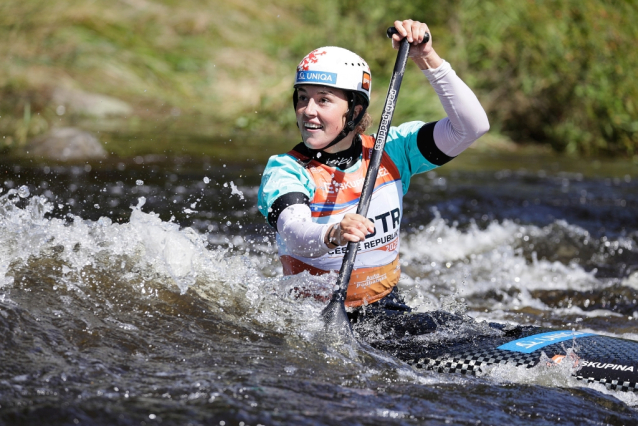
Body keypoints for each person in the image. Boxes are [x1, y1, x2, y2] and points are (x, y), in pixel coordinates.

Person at [258, 19, 489, 316]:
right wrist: (334, 233)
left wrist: (427, 58)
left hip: (388, 308)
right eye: (303, 97)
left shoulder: (391, 150)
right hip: (314, 316)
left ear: (354, 110)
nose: (308, 111)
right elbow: (293, 232)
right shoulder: (286, 169)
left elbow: (472, 127)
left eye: (323, 100)